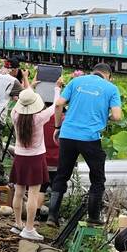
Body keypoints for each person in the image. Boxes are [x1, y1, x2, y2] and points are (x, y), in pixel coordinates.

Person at [47, 63, 122, 226]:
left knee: (62, 175)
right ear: (108, 75)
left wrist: (57, 127)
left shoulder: (76, 82)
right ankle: (93, 216)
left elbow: (59, 104)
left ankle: (52, 216)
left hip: (67, 135)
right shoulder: (111, 88)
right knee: (97, 178)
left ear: (93, 72)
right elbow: (117, 116)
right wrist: (105, 116)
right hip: (90, 138)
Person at [9, 82, 61, 241]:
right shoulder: (39, 118)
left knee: (18, 193)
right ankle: (29, 228)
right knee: (32, 194)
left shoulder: (14, 115)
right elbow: (54, 107)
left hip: (19, 157)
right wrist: (57, 89)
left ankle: (17, 224)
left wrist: (30, 86)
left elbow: (25, 101)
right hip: (36, 159)